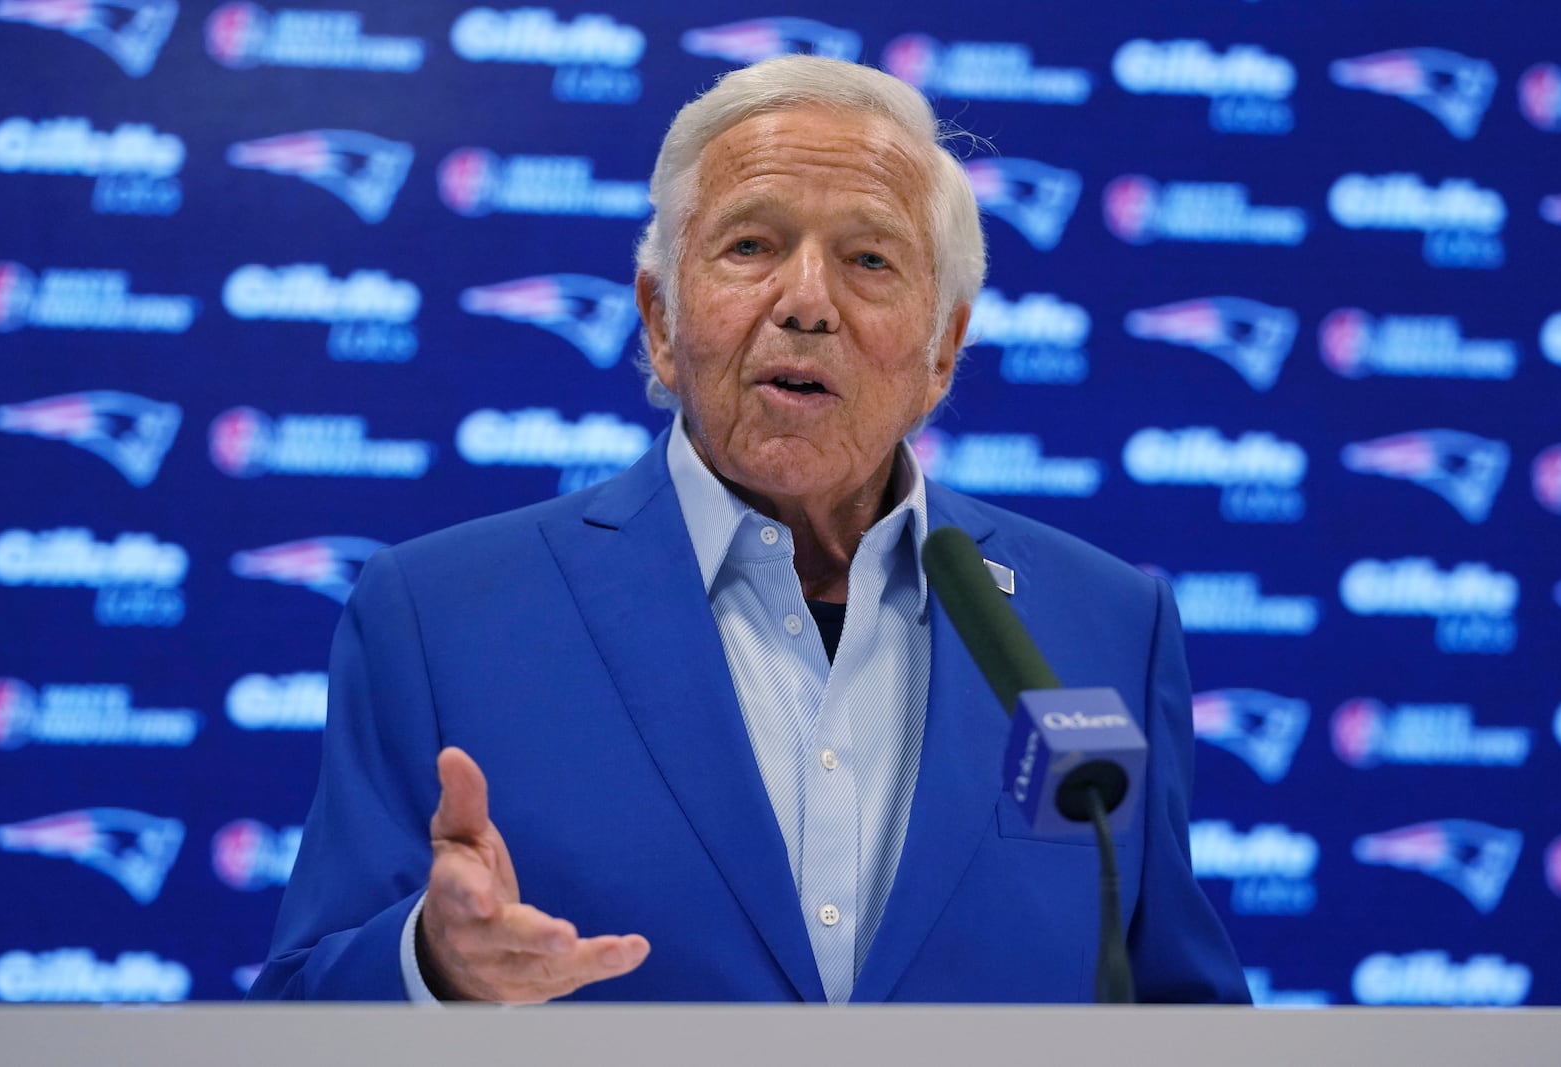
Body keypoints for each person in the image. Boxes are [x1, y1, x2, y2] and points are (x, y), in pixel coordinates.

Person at [248, 54, 1249, 1005]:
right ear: (659, 321)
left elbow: (1176, 1005)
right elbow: (298, 1011)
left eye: (868, 258)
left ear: (942, 350)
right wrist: (435, 964)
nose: (806, 302)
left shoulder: (1104, 623)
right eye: (750, 247)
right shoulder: (439, 617)